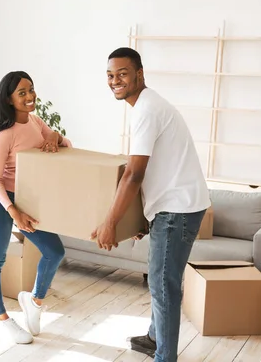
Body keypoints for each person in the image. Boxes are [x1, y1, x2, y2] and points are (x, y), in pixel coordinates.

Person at [91, 47, 211, 361]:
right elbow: (154, 170)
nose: (115, 80)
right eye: (110, 75)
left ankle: (164, 356)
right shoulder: (149, 105)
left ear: (140, 74)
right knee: (163, 280)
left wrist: (110, 223)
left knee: (162, 284)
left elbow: (134, 174)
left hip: (178, 208)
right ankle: (154, 338)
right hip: (177, 205)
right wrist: (143, 219)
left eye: (122, 73)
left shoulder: (146, 110)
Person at [0, 71, 72, 344]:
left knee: (54, 251)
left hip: (27, 199)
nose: (30, 96)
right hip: (0, 203)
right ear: (9, 99)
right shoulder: (3, 134)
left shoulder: (34, 121)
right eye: (22, 92)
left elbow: (67, 144)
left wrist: (55, 137)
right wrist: (14, 212)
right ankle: (2, 319)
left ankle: (34, 302)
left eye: (31, 90)